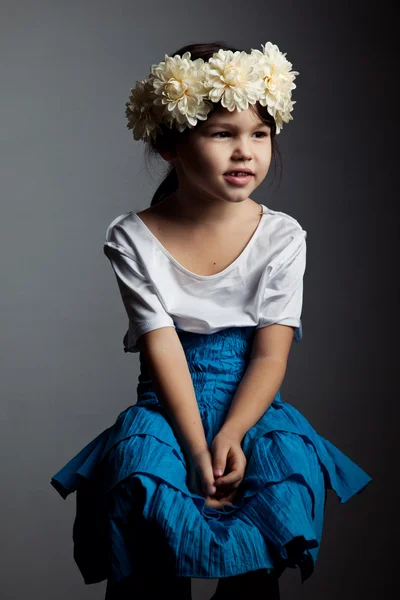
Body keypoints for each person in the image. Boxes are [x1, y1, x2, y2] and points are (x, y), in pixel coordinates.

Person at [50, 40, 372, 599]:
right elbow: (163, 348)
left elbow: (272, 352)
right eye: (223, 133)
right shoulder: (133, 236)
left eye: (259, 134)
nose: (245, 151)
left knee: (257, 555)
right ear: (172, 143)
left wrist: (232, 434)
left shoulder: (281, 236)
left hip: (252, 408)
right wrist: (198, 448)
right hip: (168, 407)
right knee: (144, 512)